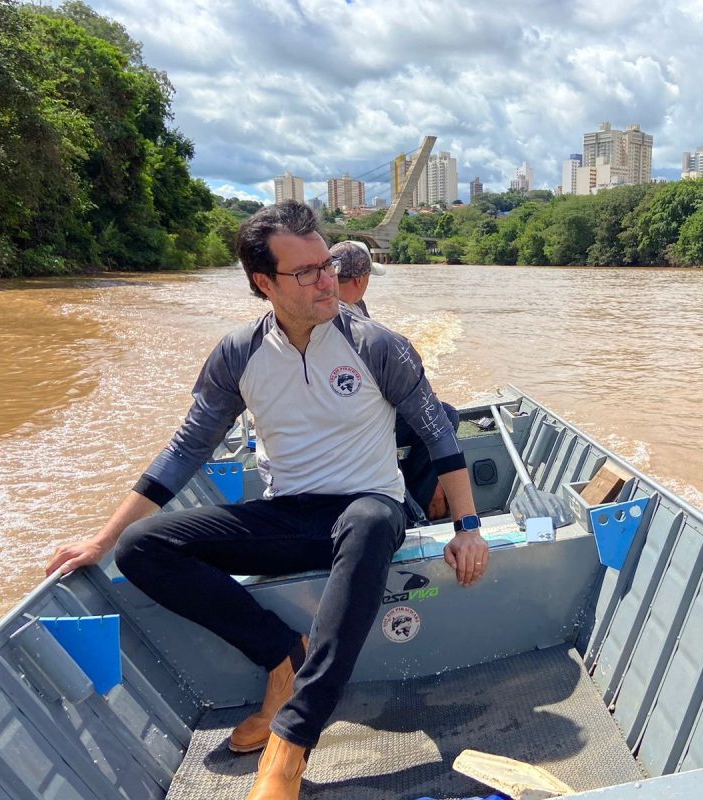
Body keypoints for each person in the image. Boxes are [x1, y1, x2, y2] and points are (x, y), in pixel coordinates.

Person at [45, 201, 489, 800]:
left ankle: (291, 743)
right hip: (290, 514)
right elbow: (184, 451)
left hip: (371, 508)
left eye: (327, 264)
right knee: (143, 548)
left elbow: (439, 433)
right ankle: (282, 652)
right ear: (264, 283)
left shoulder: (376, 345)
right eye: (305, 272)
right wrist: (101, 538)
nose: (326, 279)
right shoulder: (239, 353)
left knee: (366, 519)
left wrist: (467, 525)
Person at [330, 238, 457, 520]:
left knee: (444, 413)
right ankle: (416, 504)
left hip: (345, 415)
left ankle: (414, 493)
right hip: (359, 422)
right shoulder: (353, 320)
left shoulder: (340, 307)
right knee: (444, 418)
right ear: (361, 279)